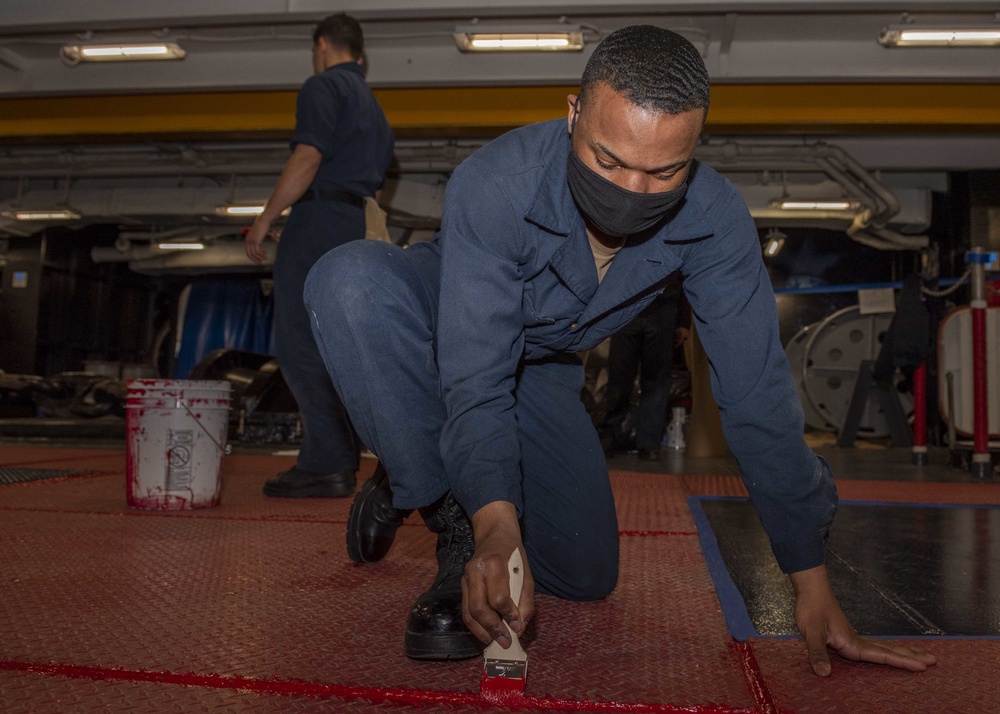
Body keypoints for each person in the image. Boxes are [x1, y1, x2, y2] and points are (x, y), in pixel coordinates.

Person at [305, 25, 936, 675]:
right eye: (608, 161)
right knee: (348, 283)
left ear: (695, 148)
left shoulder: (714, 220)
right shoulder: (497, 183)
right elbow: (476, 376)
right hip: (452, 325)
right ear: (573, 112)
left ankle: (411, 454)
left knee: (584, 574)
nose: (630, 194)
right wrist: (492, 528)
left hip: (543, 365)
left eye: (663, 171)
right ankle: (444, 506)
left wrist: (811, 581)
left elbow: (755, 395)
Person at [244, 13, 394, 499]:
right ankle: (343, 455)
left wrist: (267, 217)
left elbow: (308, 156)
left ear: (322, 45)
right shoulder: (374, 107)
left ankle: (325, 464)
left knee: (298, 341)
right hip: (357, 224)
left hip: (318, 222)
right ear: (362, 55)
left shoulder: (322, 86)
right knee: (337, 344)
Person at [600, 276, 687, 460]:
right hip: (627, 305)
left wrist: (684, 322)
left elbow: (686, 272)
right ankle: (610, 434)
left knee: (656, 379)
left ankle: (648, 443)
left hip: (663, 305)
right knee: (619, 375)